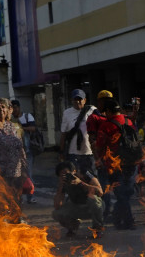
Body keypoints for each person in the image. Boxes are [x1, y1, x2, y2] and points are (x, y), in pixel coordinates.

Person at [95, 98, 138, 230]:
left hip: (116, 166)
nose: (105, 115)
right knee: (124, 193)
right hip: (132, 164)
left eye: (105, 112)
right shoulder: (128, 120)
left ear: (108, 111)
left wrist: (99, 158)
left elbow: (99, 146)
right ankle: (119, 219)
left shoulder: (106, 125)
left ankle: (127, 221)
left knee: (121, 194)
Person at [53, 161, 104, 238]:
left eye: (67, 174)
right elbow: (57, 206)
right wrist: (60, 187)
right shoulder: (63, 182)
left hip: (93, 206)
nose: (66, 177)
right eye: (62, 175)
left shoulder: (85, 173)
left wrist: (81, 183)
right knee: (56, 213)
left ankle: (98, 228)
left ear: (74, 171)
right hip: (77, 206)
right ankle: (73, 227)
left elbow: (100, 192)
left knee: (92, 199)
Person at [60, 89, 97, 176]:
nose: (77, 102)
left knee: (92, 178)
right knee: (75, 178)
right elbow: (63, 134)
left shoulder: (92, 110)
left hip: (89, 153)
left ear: (85, 100)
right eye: (75, 99)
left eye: (80, 99)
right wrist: (61, 152)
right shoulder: (67, 113)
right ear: (71, 100)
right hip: (73, 153)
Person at [12, 99, 38, 203]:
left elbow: (33, 128)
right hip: (15, 153)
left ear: (19, 107)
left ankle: (31, 197)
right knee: (17, 175)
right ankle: (20, 197)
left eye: (15, 107)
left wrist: (21, 128)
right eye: (12, 107)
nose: (14, 110)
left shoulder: (27, 117)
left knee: (29, 174)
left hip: (27, 151)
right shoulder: (10, 120)